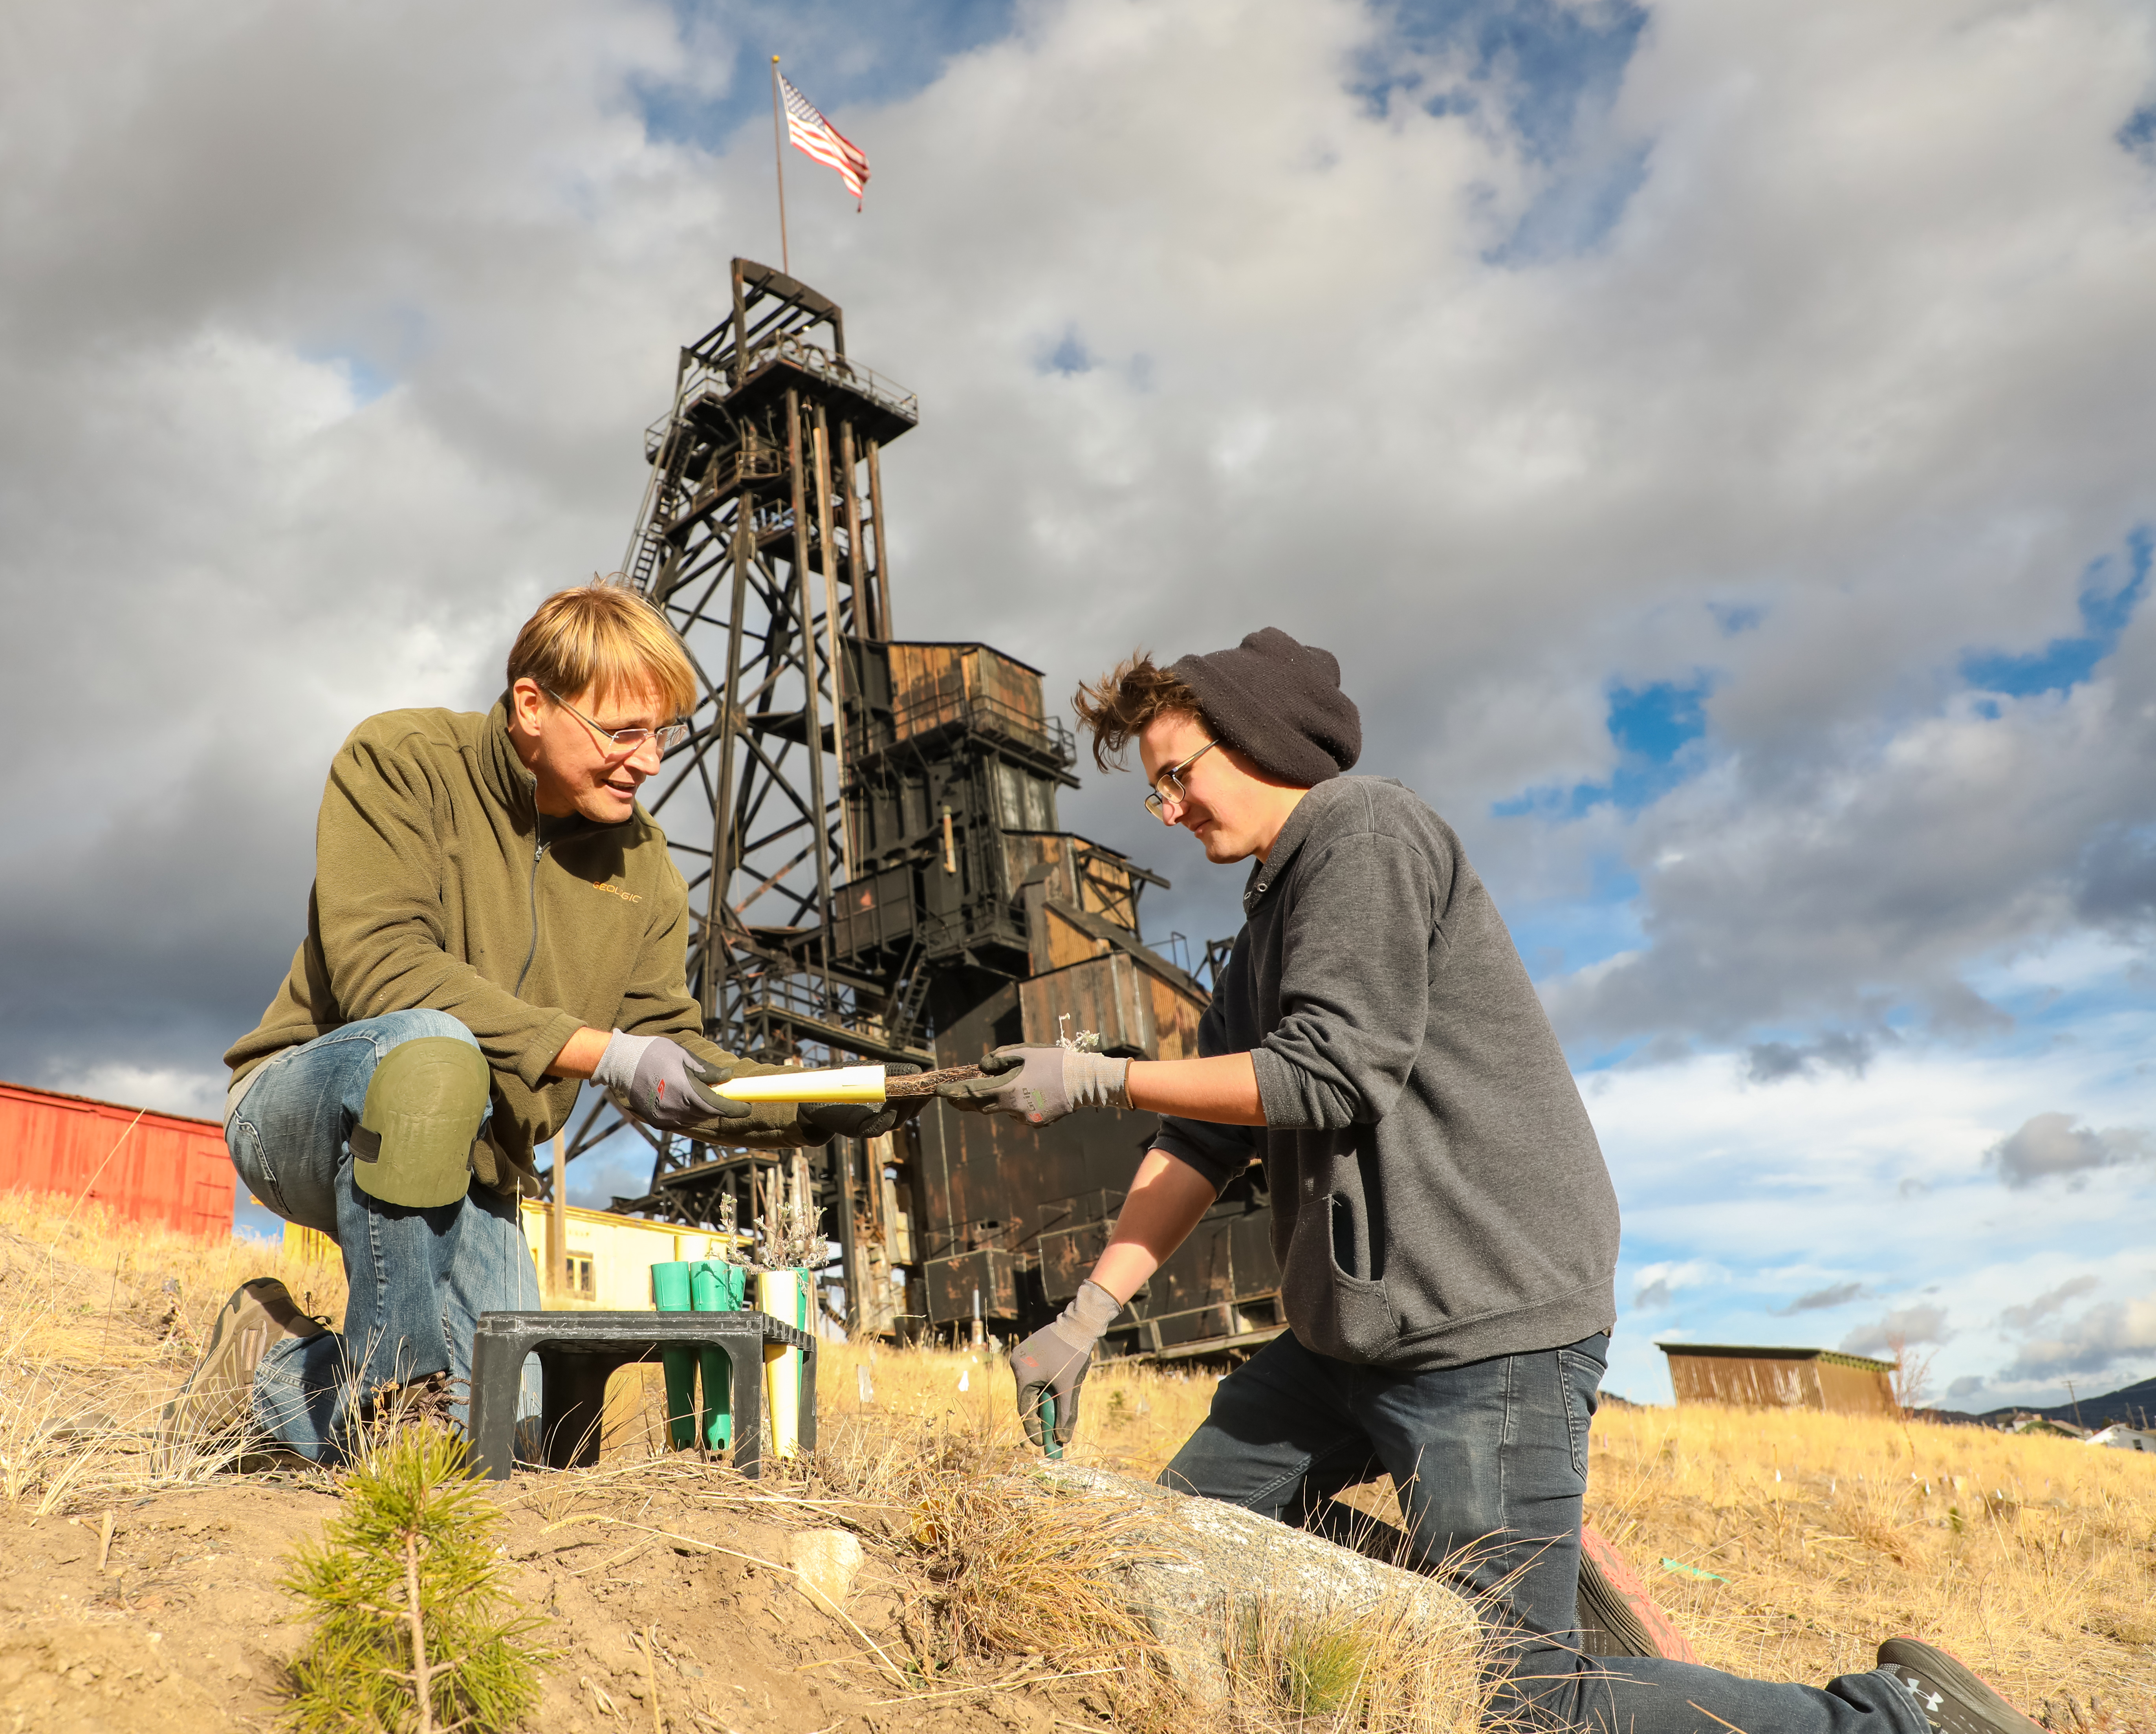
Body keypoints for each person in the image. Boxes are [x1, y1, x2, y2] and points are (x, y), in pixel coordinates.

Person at [941, 627, 2039, 1734]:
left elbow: (1333, 1070)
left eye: (1177, 774)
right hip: (1347, 1341)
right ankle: (1508, 1607)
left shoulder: (1366, 833)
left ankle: (1899, 1722)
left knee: (1524, 1702)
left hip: (1485, 1325)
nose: (1167, 808)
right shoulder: (1270, 914)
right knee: (1190, 1536)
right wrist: (1084, 1321)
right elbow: (1197, 1144)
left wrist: (1096, 1076)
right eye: (1155, 792)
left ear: (1258, 739)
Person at [167, 582, 909, 1465]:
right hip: (311, 1102)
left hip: (478, 1170)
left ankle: (269, 1369)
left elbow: (673, 1047)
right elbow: (384, 968)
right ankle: (396, 1383)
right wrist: (606, 1053)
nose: (651, 760)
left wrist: (823, 1098)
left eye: (663, 732)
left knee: (497, 1446)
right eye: (623, 731)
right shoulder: (399, 761)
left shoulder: (647, 868)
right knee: (430, 1051)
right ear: (532, 705)